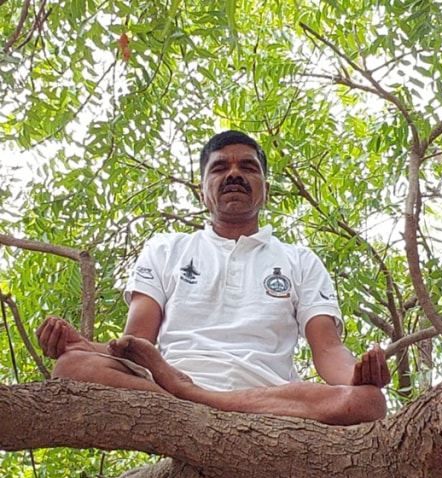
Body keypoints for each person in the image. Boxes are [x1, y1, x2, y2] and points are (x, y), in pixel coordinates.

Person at [36, 130, 388, 426]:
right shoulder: (166, 249)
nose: (234, 174)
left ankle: (194, 398)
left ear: (265, 189)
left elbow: (327, 349)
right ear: (202, 192)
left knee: (368, 402)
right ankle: (191, 395)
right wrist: (82, 346)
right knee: (71, 366)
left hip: (268, 396)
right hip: (164, 382)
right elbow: (134, 343)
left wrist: (356, 377)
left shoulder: (300, 260)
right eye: (220, 167)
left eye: (247, 167)